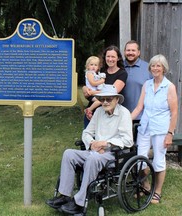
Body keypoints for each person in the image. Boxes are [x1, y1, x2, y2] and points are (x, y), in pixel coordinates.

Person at [46, 85, 133, 214]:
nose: (105, 102)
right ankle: (64, 196)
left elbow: (128, 140)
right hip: (94, 151)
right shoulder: (98, 112)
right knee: (68, 154)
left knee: (93, 158)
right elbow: (86, 132)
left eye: (108, 99)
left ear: (116, 99)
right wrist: (92, 143)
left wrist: (106, 143)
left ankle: (79, 203)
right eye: (102, 99)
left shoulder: (124, 113)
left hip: (112, 154)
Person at [131, 54, 178, 204]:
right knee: (140, 159)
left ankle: (157, 192)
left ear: (163, 68)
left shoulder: (169, 87)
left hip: (161, 129)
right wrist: (125, 121)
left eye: (158, 65)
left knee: (159, 160)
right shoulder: (147, 85)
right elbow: (139, 107)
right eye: (153, 65)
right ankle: (145, 186)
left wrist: (170, 133)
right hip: (145, 127)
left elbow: (174, 112)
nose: (155, 68)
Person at [82, 45, 128, 127]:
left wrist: (92, 92)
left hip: (109, 113)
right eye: (108, 56)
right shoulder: (100, 71)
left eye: (113, 57)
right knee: (89, 138)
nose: (110, 59)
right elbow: (89, 83)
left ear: (118, 58)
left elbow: (111, 93)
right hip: (92, 112)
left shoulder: (122, 74)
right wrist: (85, 89)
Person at [121, 40, 152, 124]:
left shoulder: (148, 68)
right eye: (128, 50)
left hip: (143, 117)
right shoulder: (118, 67)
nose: (130, 53)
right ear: (124, 52)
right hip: (121, 116)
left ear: (138, 52)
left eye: (133, 50)